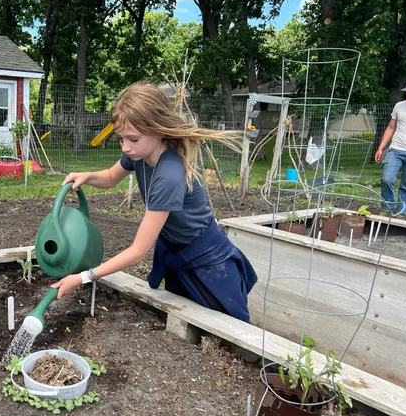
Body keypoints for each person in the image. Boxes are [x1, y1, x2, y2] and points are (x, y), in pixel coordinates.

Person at [51, 82, 258, 323]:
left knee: (228, 327)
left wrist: (84, 277)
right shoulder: (139, 152)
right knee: (185, 322)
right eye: (121, 139)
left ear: (158, 130)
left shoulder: (169, 175)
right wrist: (86, 177)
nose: (126, 147)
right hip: (177, 250)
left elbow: (138, 251)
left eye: (133, 139)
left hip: (207, 262)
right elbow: (110, 177)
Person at [375, 76, 406, 216]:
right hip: (395, 150)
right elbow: (391, 128)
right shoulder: (399, 106)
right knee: (387, 179)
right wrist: (381, 148)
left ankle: (402, 212)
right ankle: (387, 208)